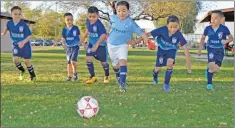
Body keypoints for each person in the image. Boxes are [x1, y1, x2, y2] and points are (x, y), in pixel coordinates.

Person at [136, 15, 192, 92]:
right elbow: (148, 34)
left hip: (171, 50)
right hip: (161, 51)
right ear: (167, 26)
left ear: (178, 26)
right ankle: (155, 74)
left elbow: (185, 48)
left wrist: (188, 62)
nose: (173, 29)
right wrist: (136, 42)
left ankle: (166, 84)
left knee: (170, 63)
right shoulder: (162, 30)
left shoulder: (178, 34)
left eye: (175, 27)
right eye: (171, 27)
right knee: (158, 69)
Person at [107, 1, 149, 93]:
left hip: (123, 45)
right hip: (111, 45)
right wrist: (107, 35)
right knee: (115, 66)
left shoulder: (131, 23)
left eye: (124, 11)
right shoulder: (113, 19)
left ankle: (122, 84)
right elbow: (109, 28)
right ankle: (118, 75)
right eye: (119, 11)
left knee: (123, 62)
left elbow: (141, 33)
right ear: (116, 11)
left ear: (128, 11)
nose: (121, 13)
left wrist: (146, 40)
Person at [197, 10, 233, 90]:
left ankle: (208, 70)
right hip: (211, 49)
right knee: (212, 66)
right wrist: (199, 49)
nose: (213, 20)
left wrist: (226, 41)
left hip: (220, 50)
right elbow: (203, 38)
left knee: (216, 69)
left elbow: (231, 38)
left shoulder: (224, 29)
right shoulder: (207, 28)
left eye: (215, 18)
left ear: (221, 19)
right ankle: (209, 85)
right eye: (212, 18)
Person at [1, 6, 36, 81]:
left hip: (25, 45)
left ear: (21, 15)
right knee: (15, 59)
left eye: (19, 14)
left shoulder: (23, 25)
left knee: (26, 61)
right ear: (11, 14)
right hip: (16, 45)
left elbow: (29, 36)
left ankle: (33, 75)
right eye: (15, 14)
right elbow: (7, 28)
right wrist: (3, 33)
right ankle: (22, 71)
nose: (17, 16)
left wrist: (23, 42)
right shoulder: (9, 23)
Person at [84, 6, 110, 84]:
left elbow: (103, 35)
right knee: (88, 59)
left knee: (103, 63)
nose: (92, 18)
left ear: (98, 15)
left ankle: (107, 76)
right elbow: (87, 30)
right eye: (90, 16)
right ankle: (93, 77)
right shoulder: (87, 21)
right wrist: (83, 40)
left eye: (94, 17)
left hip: (101, 45)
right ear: (87, 15)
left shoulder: (99, 25)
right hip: (91, 44)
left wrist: (96, 45)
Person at [62, 13, 83, 81]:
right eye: (68, 20)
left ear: (73, 20)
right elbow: (63, 38)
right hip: (68, 48)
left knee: (73, 61)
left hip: (75, 47)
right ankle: (69, 76)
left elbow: (80, 36)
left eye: (71, 19)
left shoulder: (75, 28)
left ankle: (75, 74)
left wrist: (82, 43)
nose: (69, 21)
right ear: (65, 20)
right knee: (69, 62)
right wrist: (63, 44)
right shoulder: (64, 30)